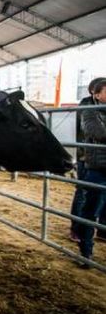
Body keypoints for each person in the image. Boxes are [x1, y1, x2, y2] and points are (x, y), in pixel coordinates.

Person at [78, 77, 106, 267]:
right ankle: (85, 252)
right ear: (96, 94)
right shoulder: (88, 111)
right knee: (89, 210)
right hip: (97, 168)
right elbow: (99, 133)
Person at [69, 79, 99, 242]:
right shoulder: (87, 106)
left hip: (98, 158)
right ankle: (76, 228)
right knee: (82, 192)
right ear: (95, 92)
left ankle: (100, 229)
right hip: (86, 156)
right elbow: (95, 132)